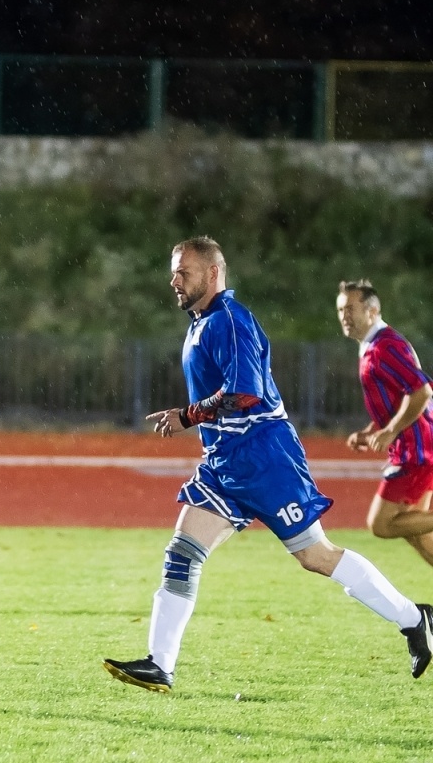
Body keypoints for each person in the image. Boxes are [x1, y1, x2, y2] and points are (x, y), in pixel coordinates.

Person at [104, 238, 433, 692]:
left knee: (316, 556)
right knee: (181, 554)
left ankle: (414, 619)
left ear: (213, 274)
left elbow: (246, 392)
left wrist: (188, 415)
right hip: (224, 462)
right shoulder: (202, 323)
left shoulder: (230, 320)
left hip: (265, 459)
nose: (174, 280)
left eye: (184, 272)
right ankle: (160, 665)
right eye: (174, 272)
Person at [336, 279, 433, 567]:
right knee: (414, 530)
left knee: (381, 524)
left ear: (373, 311)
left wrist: (391, 430)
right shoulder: (373, 345)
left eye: (350, 309)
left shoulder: (384, 346)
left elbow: (421, 391)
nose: (344, 316)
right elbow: (397, 397)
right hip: (418, 446)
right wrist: (372, 430)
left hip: (417, 450)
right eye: (340, 310)